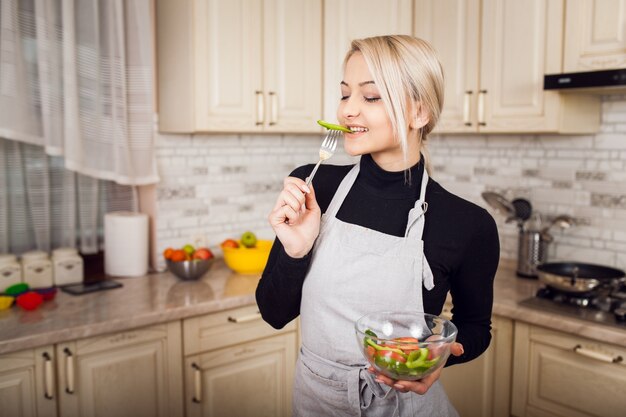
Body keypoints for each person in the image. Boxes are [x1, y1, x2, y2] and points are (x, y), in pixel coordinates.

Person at [256, 35, 499, 417]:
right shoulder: (313, 187)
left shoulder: (467, 223)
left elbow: (475, 328)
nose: (347, 111)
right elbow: (273, 314)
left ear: (420, 113)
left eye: (370, 97)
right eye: (344, 94)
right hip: (314, 402)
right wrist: (296, 251)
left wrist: (436, 360)